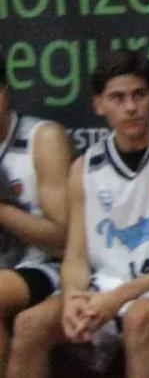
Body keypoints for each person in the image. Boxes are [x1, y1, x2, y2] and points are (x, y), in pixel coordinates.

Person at [8, 50, 149, 378]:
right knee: (29, 323)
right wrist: (75, 296)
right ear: (99, 105)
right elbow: (75, 257)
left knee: (139, 319)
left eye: (139, 95)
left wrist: (122, 295)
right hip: (105, 286)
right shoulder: (85, 166)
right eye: (117, 98)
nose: (130, 107)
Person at [0, 65, 71, 371]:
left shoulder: (42, 139)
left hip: (44, 267)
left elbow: (63, 240)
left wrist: (2, 210)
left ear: (5, 91)